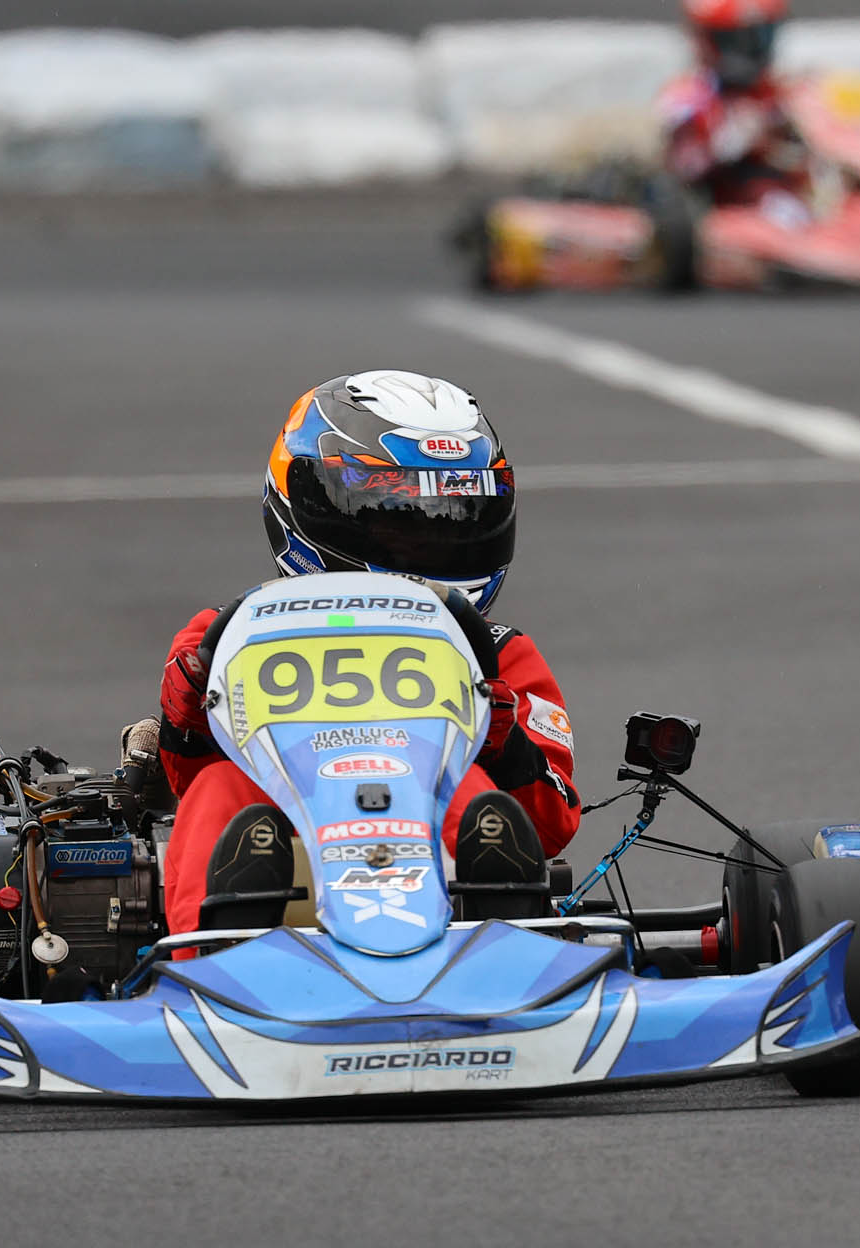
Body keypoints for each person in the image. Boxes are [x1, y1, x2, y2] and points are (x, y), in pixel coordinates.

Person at [150, 371, 581, 935]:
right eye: (396, 518)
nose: (430, 536)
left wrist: (502, 743)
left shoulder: (498, 655)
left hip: (430, 860)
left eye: (457, 515)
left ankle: (502, 935)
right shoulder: (228, 636)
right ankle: (215, 949)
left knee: (475, 796)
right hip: (281, 831)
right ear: (309, 501)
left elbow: (551, 824)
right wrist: (188, 713)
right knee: (215, 791)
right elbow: (185, 779)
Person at [658, 0, 813, 229]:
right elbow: (682, 165)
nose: (751, 50)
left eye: (761, 36)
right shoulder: (688, 96)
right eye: (736, 40)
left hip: (787, 206)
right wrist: (735, 141)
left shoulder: (780, 91)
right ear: (704, 37)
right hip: (720, 212)